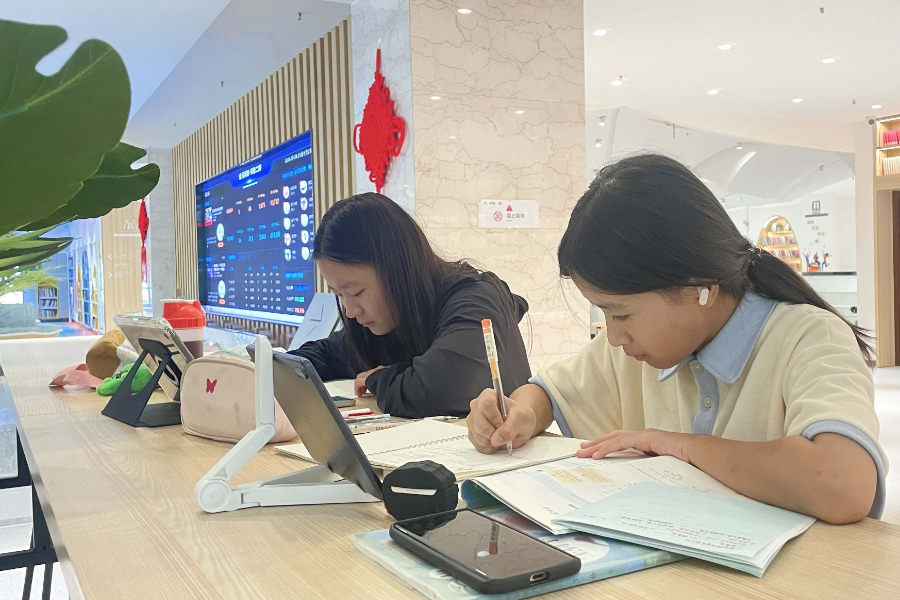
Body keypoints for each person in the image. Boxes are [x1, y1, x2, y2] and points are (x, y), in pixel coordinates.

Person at [466, 153, 887, 524]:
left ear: (699, 286)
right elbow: (549, 393)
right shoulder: (636, 353)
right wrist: (518, 413)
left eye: (621, 314)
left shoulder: (807, 337)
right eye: (605, 315)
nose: (614, 337)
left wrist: (678, 446)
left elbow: (843, 483)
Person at [290, 192, 531, 418]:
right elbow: (329, 354)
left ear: (397, 268)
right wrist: (275, 371)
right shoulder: (385, 321)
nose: (351, 311)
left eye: (356, 292)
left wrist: (380, 378)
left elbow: (442, 388)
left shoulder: (474, 299)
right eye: (339, 295)